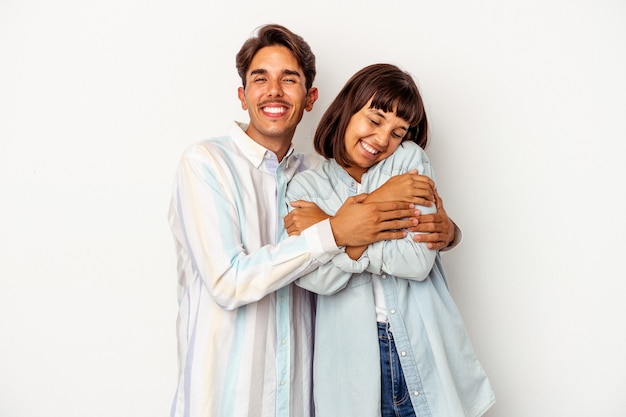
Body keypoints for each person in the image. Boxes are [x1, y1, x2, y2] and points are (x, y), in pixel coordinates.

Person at [168, 24, 458, 417]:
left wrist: (451, 234)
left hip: (301, 397)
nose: (274, 91)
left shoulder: (314, 176)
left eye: (289, 80)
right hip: (227, 396)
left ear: (310, 99)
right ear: (242, 95)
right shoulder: (206, 164)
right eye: (260, 79)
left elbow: (401, 248)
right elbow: (228, 281)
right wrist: (339, 230)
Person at [285, 63, 495, 417]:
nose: (383, 140)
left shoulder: (410, 162)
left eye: (398, 132)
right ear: (347, 110)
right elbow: (314, 278)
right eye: (375, 119)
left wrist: (337, 234)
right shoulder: (306, 188)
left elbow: (416, 261)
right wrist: (381, 205)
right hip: (353, 365)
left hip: (424, 348)